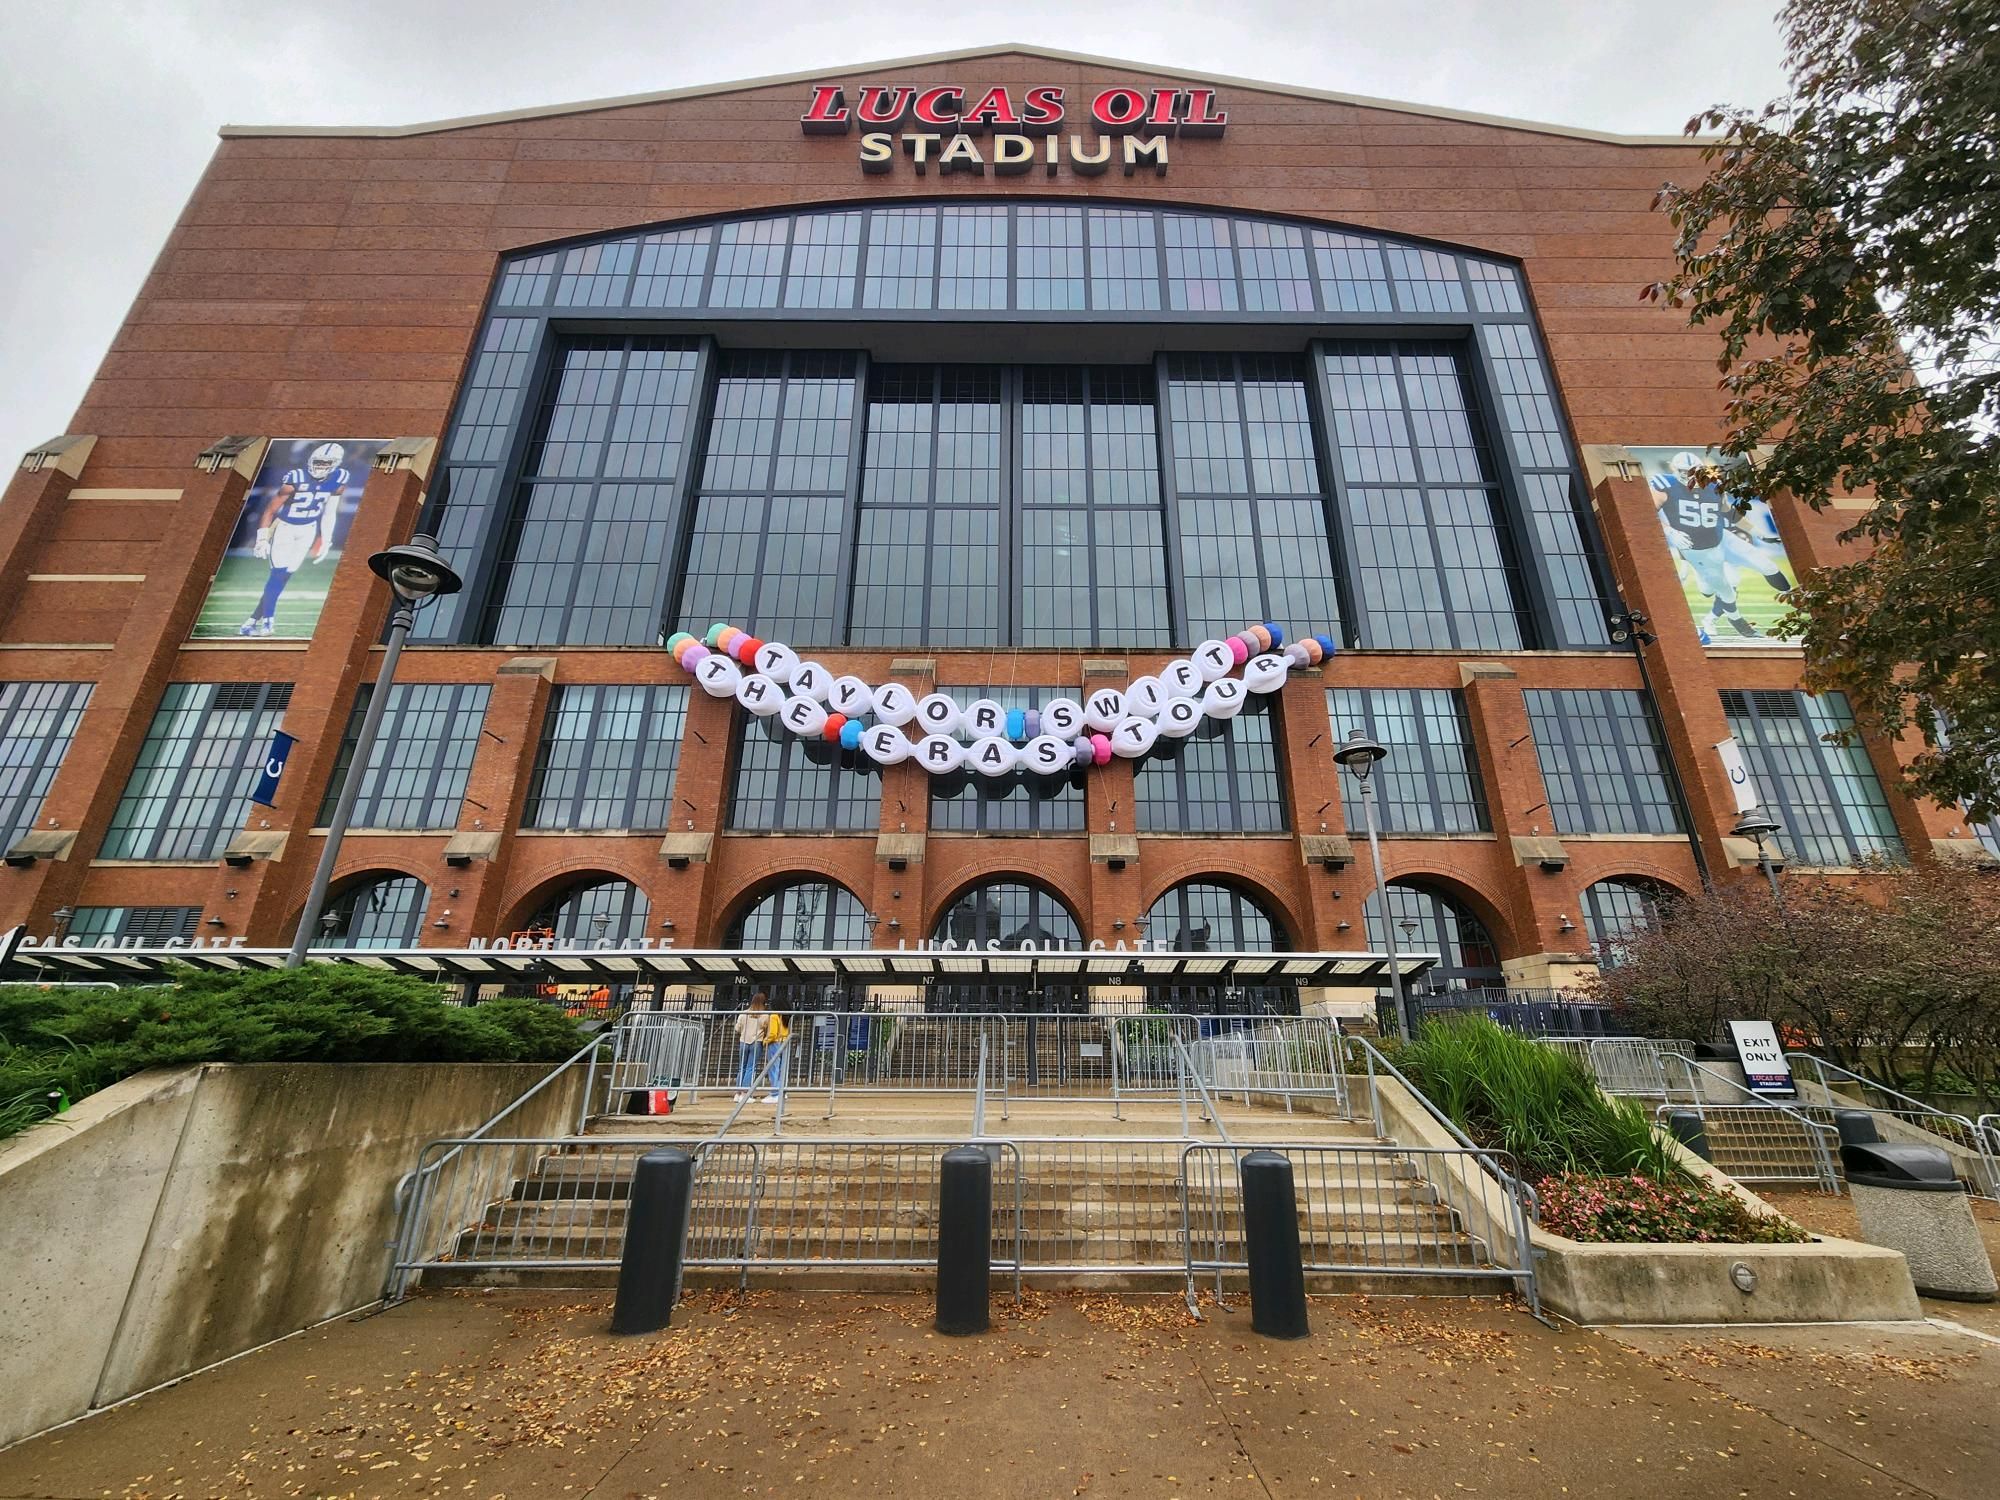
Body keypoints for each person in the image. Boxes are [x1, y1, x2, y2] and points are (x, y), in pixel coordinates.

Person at [239, 442, 353, 637]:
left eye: (326, 463)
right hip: (285, 528)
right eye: (318, 462)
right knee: (277, 575)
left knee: (283, 577)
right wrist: (262, 538)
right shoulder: (296, 477)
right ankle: (268, 623)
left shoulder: (339, 478)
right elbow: (271, 509)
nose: (321, 467)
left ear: (335, 464)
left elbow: (329, 512)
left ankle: (250, 623)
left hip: (308, 530)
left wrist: (326, 540)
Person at [733, 993, 768, 1102]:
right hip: (756, 1041)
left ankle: (737, 1093)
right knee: (751, 1068)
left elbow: (737, 1029)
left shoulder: (743, 1014)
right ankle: (745, 1093)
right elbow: (766, 1028)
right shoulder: (765, 1015)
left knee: (741, 1067)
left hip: (743, 1041)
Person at [761, 1000, 791, 1104]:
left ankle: (775, 1093)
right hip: (784, 1042)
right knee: (782, 1069)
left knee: (774, 1069)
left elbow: (772, 1033)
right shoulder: (786, 1016)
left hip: (775, 1043)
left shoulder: (774, 1016)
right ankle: (781, 1091)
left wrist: (765, 1041)